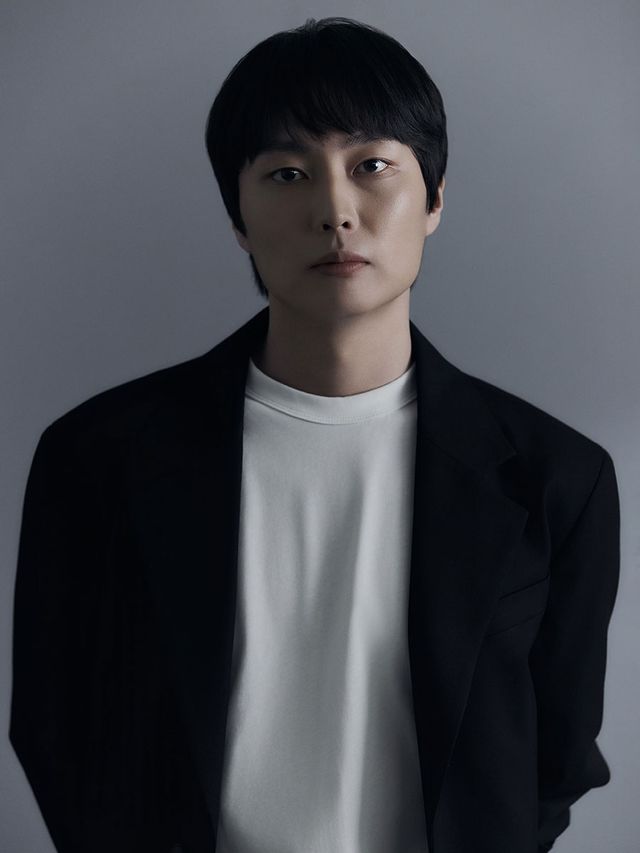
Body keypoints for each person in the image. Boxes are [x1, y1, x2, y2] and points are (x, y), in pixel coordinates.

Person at [9, 16, 620, 853]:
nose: (335, 210)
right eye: (287, 173)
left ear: (435, 198)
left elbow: (558, 756)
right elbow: (55, 725)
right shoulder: (97, 457)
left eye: (372, 166)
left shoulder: (558, 478)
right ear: (237, 217)